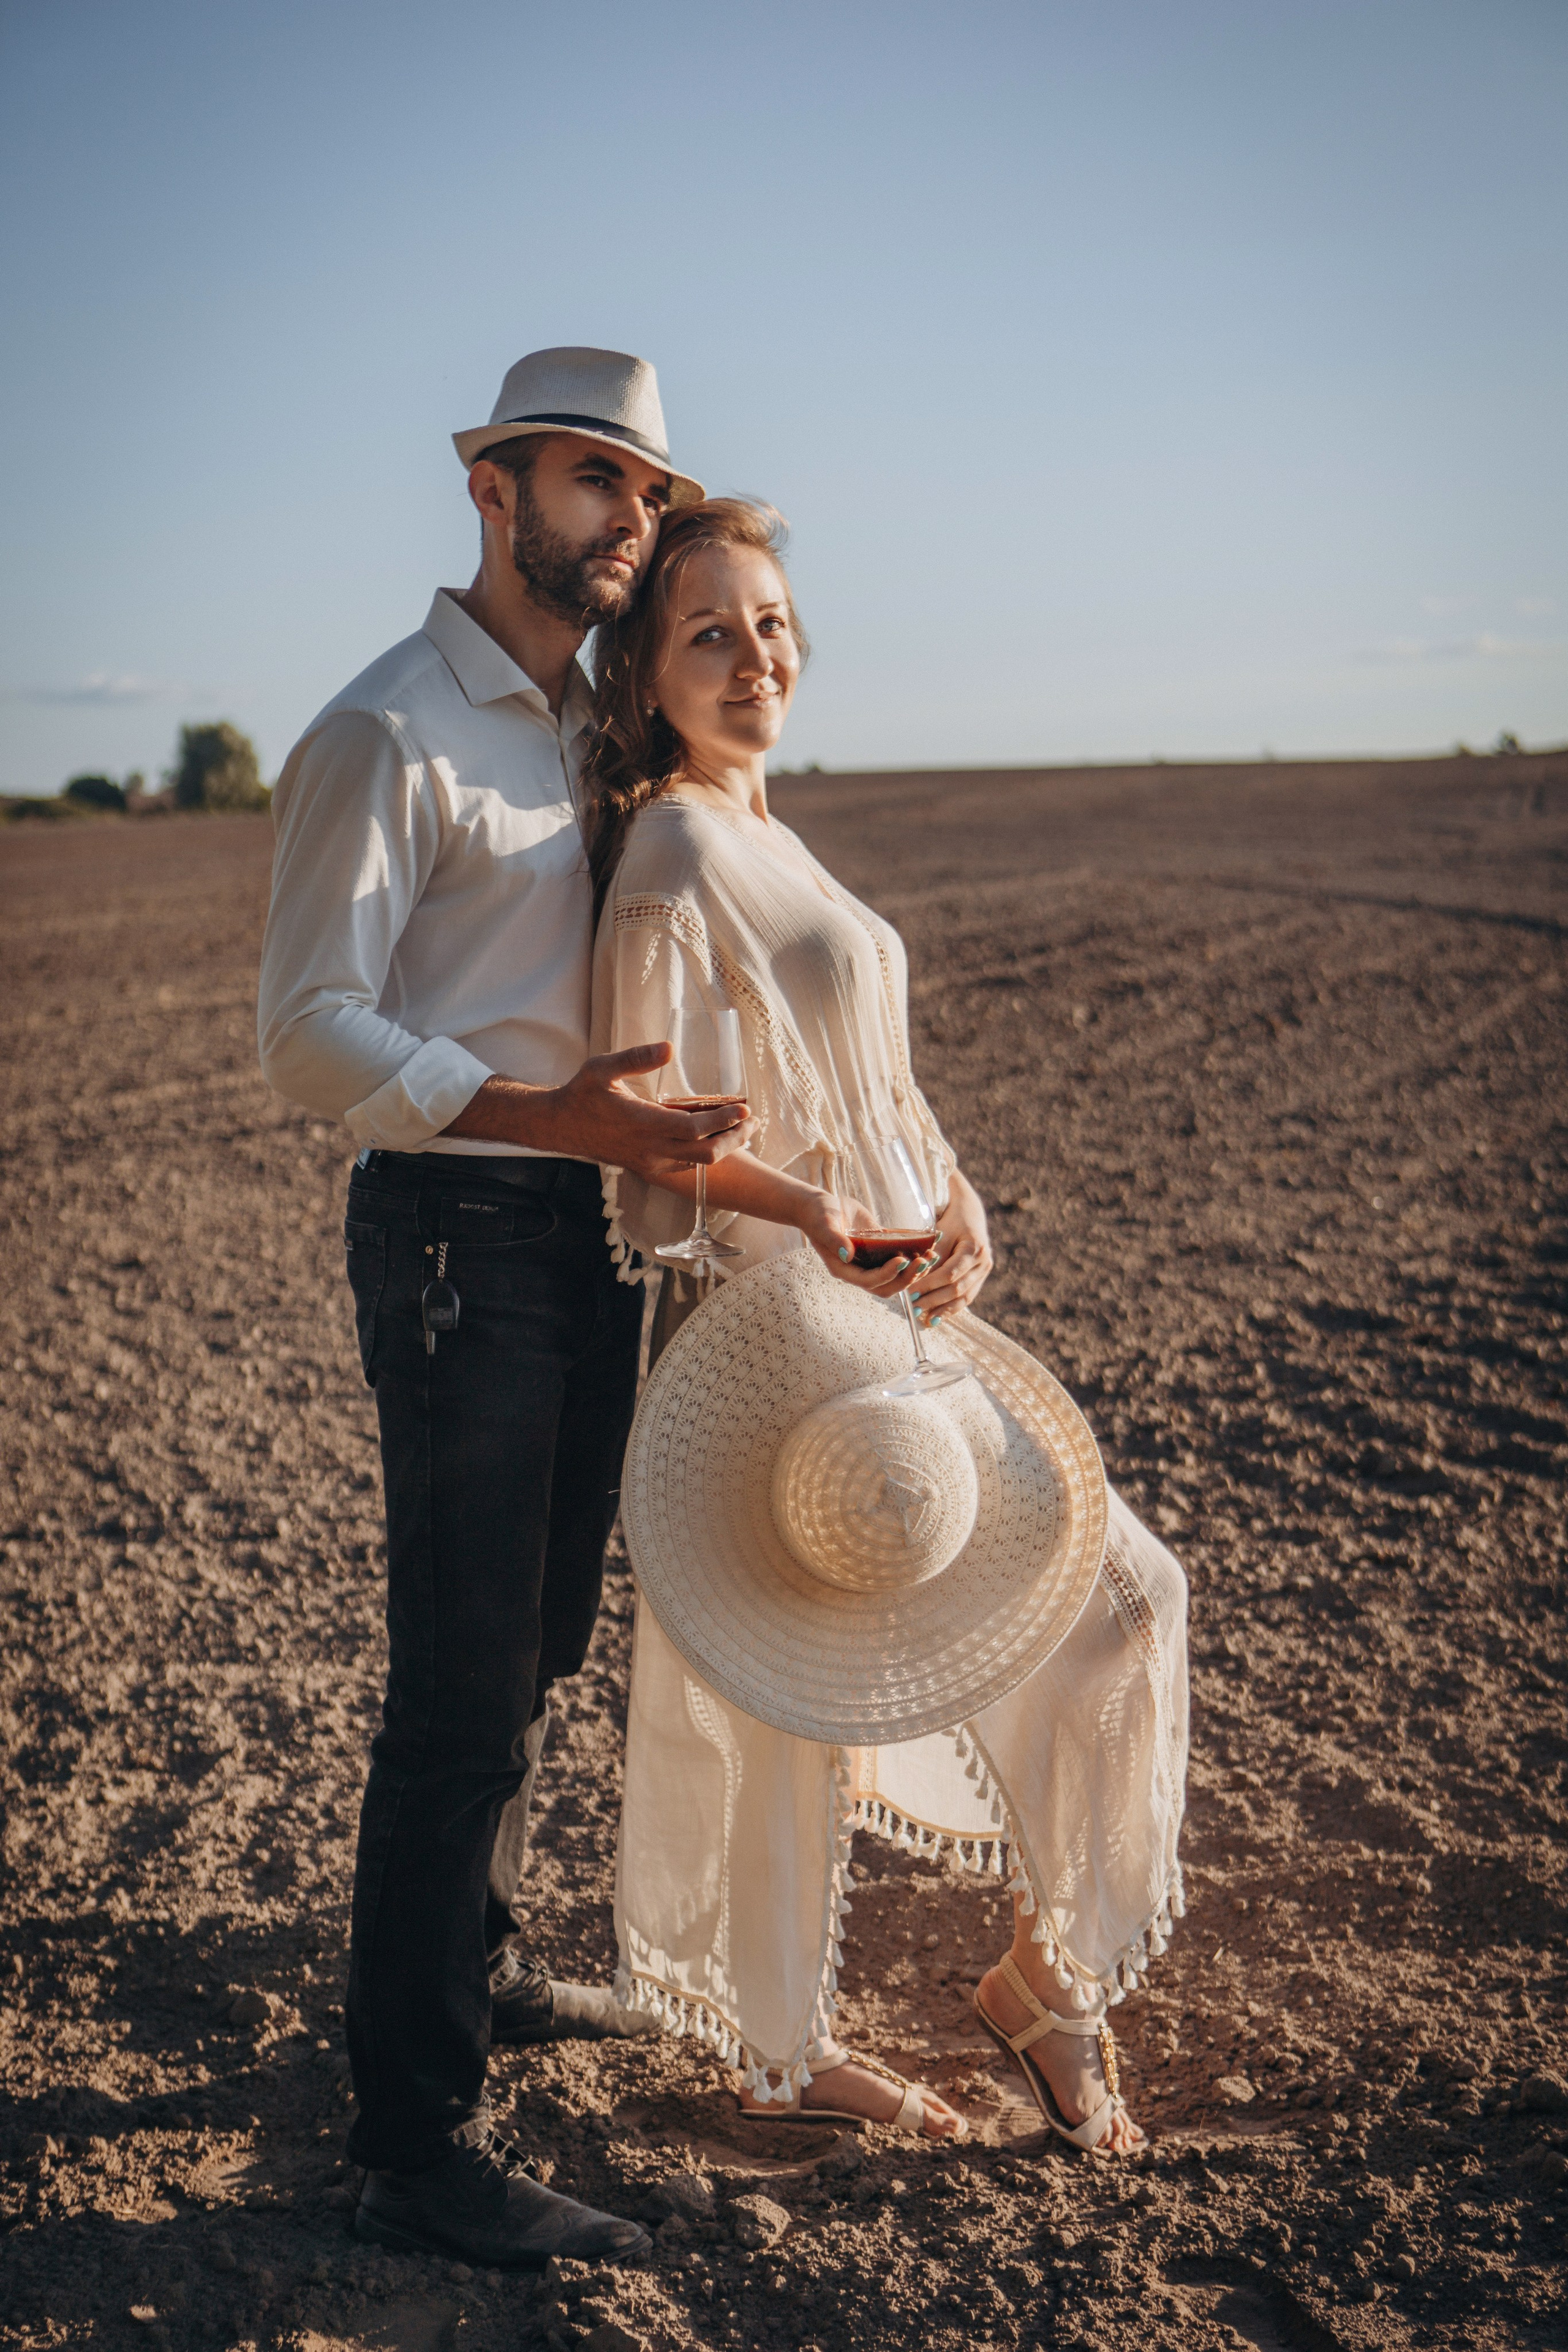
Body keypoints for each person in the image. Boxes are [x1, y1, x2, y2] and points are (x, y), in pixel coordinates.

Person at [585, 499, 1189, 2154]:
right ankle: (786, 2050)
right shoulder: (672, 854)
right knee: (799, 1698)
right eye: (710, 632)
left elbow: (876, 1092)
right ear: (647, 673)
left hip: (896, 1322)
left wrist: (959, 1193)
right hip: (782, 1343)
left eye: (772, 623)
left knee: (1128, 1600)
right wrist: (818, 1229)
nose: (755, 655)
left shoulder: (772, 835)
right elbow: (653, 1173)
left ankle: (1047, 1985)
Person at [256, 349, 754, 2268]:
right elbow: (310, 1035)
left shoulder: (576, 725)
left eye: (646, 494)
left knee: (538, 1648)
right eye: (593, 483)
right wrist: (559, 1116)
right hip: (459, 1235)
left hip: (567, 1243)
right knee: (457, 1697)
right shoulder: (389, 732)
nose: (629, 520)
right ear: (492, 489)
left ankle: (480, 1967)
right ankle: (411, 2146)